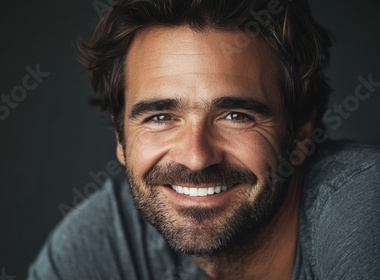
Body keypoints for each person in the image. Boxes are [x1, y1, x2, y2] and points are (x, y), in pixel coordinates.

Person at [28, 0, 380, 279]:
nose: (196, 157)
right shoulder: (112, 237)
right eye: (161, 117)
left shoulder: (364, 210)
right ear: (120, 136)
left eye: (235, 116)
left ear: (302, 130)